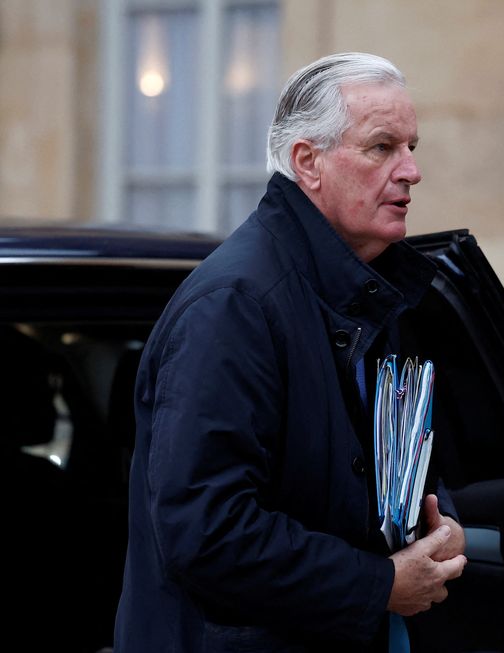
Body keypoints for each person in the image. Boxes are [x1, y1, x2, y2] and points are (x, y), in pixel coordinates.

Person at [114, 52, 466, 652]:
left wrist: (439, 525)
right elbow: (208, 533)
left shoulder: (367, 290)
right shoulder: (236, 305)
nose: (411, 171)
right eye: (382, 147)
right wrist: (379, 583)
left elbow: (376, 469)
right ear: (309, 162)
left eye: (412, 146)